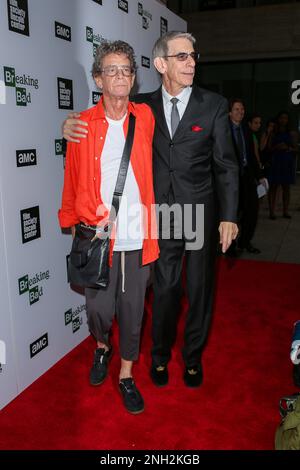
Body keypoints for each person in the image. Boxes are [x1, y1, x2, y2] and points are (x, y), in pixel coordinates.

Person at [62, 31, 239, 389]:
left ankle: (192, 357)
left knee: (200, 288)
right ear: (161, 64)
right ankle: (159, 356)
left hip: (198, 213)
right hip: (161, 215)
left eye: (193, 56)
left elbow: (227, 165)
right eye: (182, 57)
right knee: (166, 289)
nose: (192, 62)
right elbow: (102, 117)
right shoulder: (142, 106)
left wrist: (229, 216)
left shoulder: (214, 105)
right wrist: (67, 125)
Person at [58, 40, 159, 414]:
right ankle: (103, 347)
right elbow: (70, 178)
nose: (119, 76)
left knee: (133, 310)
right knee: (99, 309)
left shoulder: (146, 117)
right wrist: (73, 227)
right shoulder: (80, 125)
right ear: (98, 78)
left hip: (138, 235)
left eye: (126, 70)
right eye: (110, 70)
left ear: (133, 80)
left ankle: (127, 374)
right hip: (97, 236)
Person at [229, 98, 263, 255]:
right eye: (236, 109)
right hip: (230, 181)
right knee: (232, 214)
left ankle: (245, 242)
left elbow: (251, 156)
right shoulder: (223, 130)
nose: (240, 112)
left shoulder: (246, 130)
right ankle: (230, 246)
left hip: (247, 177)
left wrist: (260, 176)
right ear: (229, 112)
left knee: (252, 211)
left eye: (242, 109)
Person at [267, 112, 297, 220]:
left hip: (287, 162)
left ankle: (285, 211)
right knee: (273, 187)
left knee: (286, 187)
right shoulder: (274, 132)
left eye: (286, 118)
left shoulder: (292, 133)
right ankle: (271, 212)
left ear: (288, 120)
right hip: (276, 161)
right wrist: (277, 147)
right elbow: (269, 148)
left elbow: (296, 149)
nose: (283, 120)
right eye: (281, 118)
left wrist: (288, 148)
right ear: (278, 119)